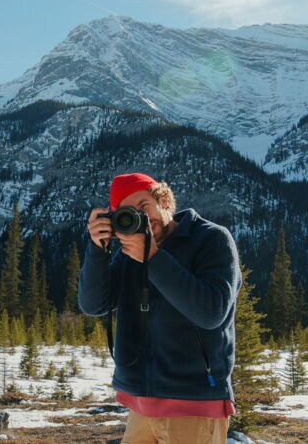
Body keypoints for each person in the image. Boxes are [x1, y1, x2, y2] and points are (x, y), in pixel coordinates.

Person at [79, 172, 240, 443]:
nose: (142, 218)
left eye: (144, 207)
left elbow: (211, 312)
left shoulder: (212, 239)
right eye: (128, 213)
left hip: (193, 402)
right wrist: (97, 249)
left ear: (164, 201)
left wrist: (152, 257)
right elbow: (94, 305)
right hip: (141, 403)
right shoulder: (130, 251)